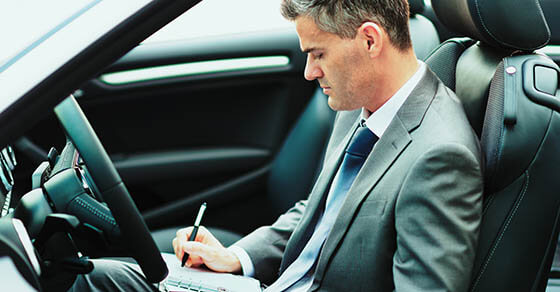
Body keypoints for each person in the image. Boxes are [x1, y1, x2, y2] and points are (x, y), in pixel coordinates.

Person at [71, 0, 483, 291]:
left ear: (370, 41)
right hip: (272, 282)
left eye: (317, 53)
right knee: (91, 276)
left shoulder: (440, 158)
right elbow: (322, 212)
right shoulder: (361, 104)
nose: (309, 72)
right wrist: (238, 259)